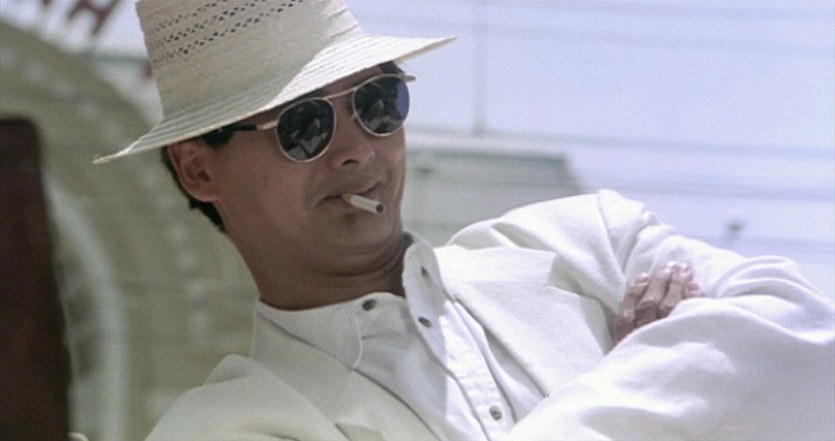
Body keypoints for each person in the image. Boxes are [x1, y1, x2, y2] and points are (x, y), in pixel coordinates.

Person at [95, 1, 834, 440]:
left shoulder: (584, 241)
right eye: (304, 125)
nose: (358, 148)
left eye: (378, 102)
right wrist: (668, 380)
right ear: (199, 169)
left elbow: (810, 341)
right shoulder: (224, 427)